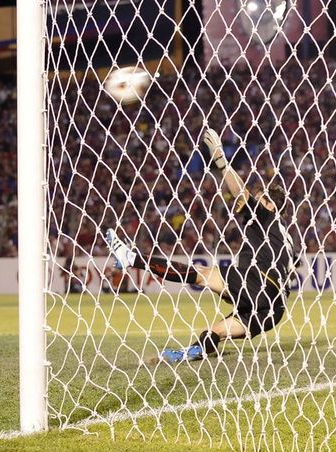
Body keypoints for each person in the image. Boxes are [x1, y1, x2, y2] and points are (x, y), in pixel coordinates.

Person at [106, 128, 295, 363]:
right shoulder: (287, 237)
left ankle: (131, 258)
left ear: (270, 206)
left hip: (258, 282)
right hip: (273, 311)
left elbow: (240, 193)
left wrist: (220, 160)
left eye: (261, 198)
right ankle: (190, 353)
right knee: (216, 332)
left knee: (200, 275)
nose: (256, 201)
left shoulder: (266, 217)